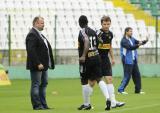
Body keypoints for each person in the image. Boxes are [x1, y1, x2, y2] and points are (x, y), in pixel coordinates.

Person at [77, 15, 111, 111]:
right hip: (96, 57)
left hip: (87, 59)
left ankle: (86, 104)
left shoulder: (82, 31)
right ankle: (107, 98)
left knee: (84, 81)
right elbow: (100, 41)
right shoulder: (92, 30)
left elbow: (87, 41)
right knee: (99, 78)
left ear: (80, 23)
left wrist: (83, 55)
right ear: (87, 22)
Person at [26, 16, 55, 110]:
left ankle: (43, 104)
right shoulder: (32, 34)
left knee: (44, 83)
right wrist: (38, 63)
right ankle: (37, 105)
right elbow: (31, 51)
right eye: (42, 23)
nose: (43, 25)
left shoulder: (40, 34)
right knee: (36, 84)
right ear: (36, 23)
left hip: (44, 66)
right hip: (37, 65)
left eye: (43, 23)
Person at [96, 16, 125, 108]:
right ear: (101, 24)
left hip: (105, 59)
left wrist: (112, 58)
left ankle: (113, 102)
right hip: (97, 59)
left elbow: (110, 46)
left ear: (110, 24)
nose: (106, 26)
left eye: (108, 24)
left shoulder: (110, 34)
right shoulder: (98, 33)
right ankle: (87, 103)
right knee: (95, 81)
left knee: (109, 79)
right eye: (104, 24)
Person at [118, 27, 148, 94]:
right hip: (127, 60)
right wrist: (139, 44)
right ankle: (120, 90)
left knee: (137, 75)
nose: (131, 32)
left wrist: (145, 41)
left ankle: (138, 90)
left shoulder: (132, 38)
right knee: (127, 76)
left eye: (132, 31)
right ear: (126, 32)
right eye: (130, 31)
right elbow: (130, 47)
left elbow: (138, 42)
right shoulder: (124, 40)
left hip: (133, 60)